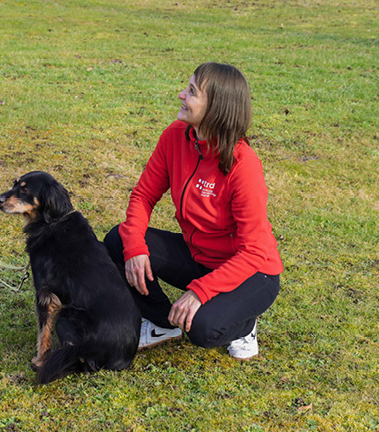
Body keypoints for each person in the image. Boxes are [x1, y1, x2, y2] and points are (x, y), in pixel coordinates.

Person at [105, 63, 283, 359]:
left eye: (191, 92)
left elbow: (253, 252)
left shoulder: (244, 165)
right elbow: (143, 195)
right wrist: (135, 247)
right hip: (199, 255)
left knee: (202, 329)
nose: (180, 95)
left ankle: (244, 325)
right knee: (119, 240)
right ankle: (164, 322)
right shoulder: (176, 136)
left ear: (216, 108)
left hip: (252, 272)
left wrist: (200, 292)